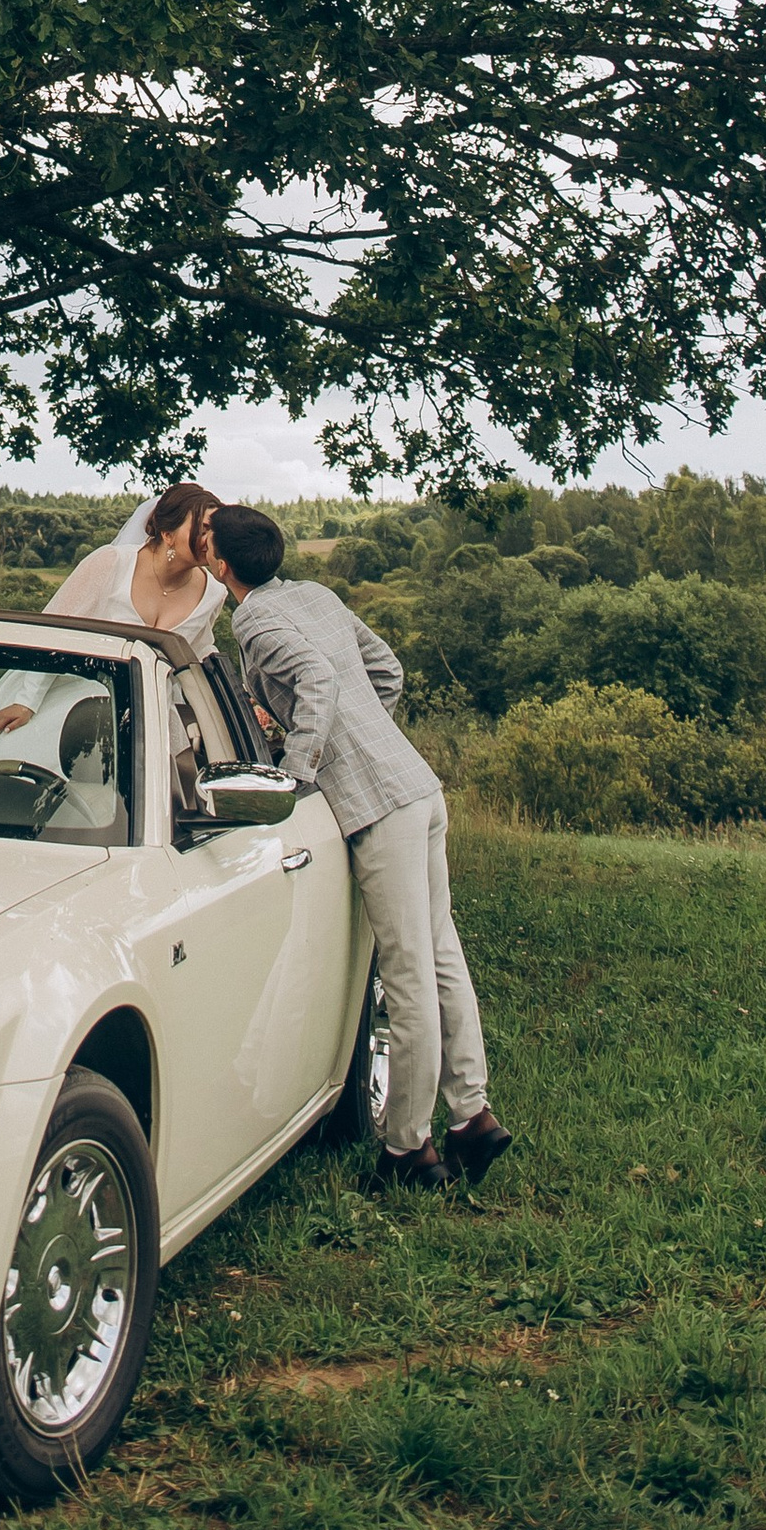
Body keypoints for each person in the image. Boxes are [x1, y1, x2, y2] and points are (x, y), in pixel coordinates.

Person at [207, 504, 512, 1196]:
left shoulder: (252, 620)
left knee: (407, 975)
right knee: (441, 954)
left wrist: (301, 771)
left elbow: (318, 681)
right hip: (416, 785)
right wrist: (365, 734)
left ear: (222, 564)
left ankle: (408, 1146)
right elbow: (387, 671)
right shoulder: (316, 594)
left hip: (380, 808)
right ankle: (472, 1115)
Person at [0, 483, 222, 750]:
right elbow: (53, 631)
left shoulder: (214, 593)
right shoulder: (111, 563)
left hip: (151, 721)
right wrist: (27, 702)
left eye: (215, 531)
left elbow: (198, 656)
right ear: (168, 534)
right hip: (77, 705)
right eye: (203, 529)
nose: (210, 539)